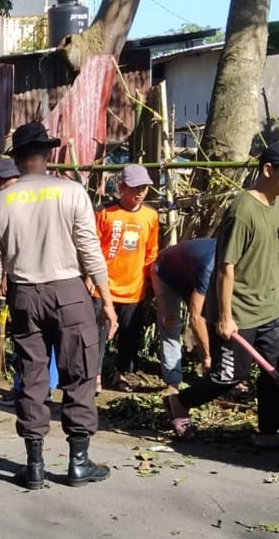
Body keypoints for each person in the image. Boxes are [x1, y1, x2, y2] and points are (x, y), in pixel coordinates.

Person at [0, 121, 118, 489]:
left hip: (25, 295)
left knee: (33, 376)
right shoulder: (71, 192)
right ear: (48, 154)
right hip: (70, 292)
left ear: (17, 158)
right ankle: (78, 462)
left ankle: (36, 465)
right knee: (80, 373)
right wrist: (106, 300)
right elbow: (90, 250)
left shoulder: (0, 201)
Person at [163, 142, 279, 451]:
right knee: (229, 375)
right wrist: (226, 316)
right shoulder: (241, 211)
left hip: (271, 308)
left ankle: (268, 434)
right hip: (239, 312)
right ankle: (179, 402)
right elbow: (225, 268)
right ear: (267, 170)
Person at [0, 157, 60, 408]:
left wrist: (2, 279)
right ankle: (46, 389)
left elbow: (3, 251)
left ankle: (25, 390)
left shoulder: (2, 204)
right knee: (49, 338)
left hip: (25, 283)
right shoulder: (44, 197)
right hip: (59, 282)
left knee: (27, 341)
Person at [93, 164, 159, 392]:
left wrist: (150, 282)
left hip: (134, 287)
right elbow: (92, 248)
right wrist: (91, 277)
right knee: (98, 334)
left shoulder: (151, 215)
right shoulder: (105, 212)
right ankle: (96, 375)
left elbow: (152, 251)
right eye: (134, 188)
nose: (139, 192)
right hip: (104, 287)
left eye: (144, 188)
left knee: (129, 337)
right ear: (122, 187)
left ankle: (120, 375)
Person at [151, 238, 216, 395]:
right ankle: (172, 382)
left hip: (192, 276)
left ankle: (216, 375)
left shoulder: (232, 262)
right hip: (166, 274)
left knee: (212, 320)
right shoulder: (209, 266)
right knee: (170, 324)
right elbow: (195, 317)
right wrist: (208, 357)